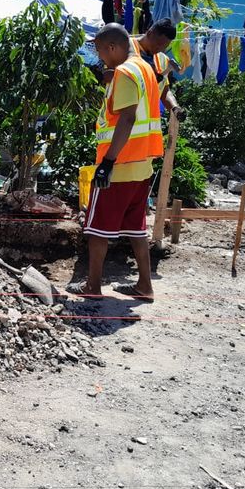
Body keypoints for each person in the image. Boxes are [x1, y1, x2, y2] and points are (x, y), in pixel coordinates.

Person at [68, 24, 163, 301]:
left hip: (119, 165)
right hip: (142, 164)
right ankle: (145, 285)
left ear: (112, 47)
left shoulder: (124, 72)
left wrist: (108, 162)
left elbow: (127, 118)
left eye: (100, 52)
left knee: (97, 228)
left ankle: (93, 286)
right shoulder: (145, 68)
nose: (101, 59)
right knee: (136, 228)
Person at [130, 18, 185, 119]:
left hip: (147, 127)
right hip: (123, 123)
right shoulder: (125, 49)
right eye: (159, 44)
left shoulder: (162, 60)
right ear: (150, 33)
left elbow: (164, 91)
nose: (160, 49)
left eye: (165, 46)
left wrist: (175, 108)